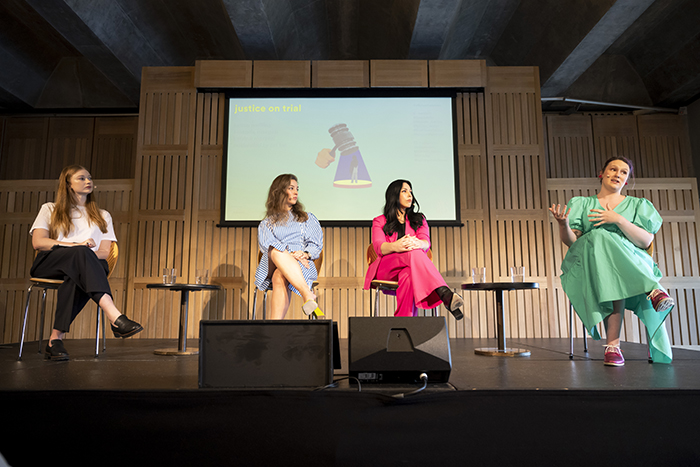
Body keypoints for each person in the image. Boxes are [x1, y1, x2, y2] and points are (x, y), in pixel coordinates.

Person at [549, 156, 674, 366]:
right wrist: (564, 225)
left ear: (627, 180)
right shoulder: (583, 203)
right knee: (599, 238)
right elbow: (573, 243)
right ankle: (652, 289)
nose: (618, 174)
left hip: (630, 262)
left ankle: (613, 346)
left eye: (624, 172)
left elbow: (645, 242)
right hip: (591, 265)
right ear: (602, 173)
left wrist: (618, 220)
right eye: (613, 169)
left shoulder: (638, 205)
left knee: (611, 268)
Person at [30, 165, 143, 361]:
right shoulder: (49, 209)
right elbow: (39, 242)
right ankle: (115, 317)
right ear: (68, 184)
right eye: (81, 178)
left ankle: (55, 340)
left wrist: (82, 252)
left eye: (89, 178)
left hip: (86, 266)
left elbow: (104, 252)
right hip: (50, 264)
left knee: (77, 271)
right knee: (80, 255)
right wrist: (75, 246)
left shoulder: (102, 215)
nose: (88, 181)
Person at [364, 179, 464, 319]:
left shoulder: (419, 219)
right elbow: (378, 247)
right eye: (404, 191)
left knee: (408, 275)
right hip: (386, 268)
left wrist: (418, 244)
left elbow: (426, 242)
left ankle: (403, 323)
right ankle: (445, 294)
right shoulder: (379, 220)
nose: (410, 195)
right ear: (394, 195)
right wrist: (396, 246)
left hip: (410, 266)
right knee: (412, 253)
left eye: (410, 191)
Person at [254, 174, 324, 319]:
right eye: (291, 188)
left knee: (279, 275)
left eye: (297, 189)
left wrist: (305, 254)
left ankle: (275, 329)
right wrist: (289, 254)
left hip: (301, 262)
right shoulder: (267, 223)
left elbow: (316, 244)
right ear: (279, 191)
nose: (296, 192)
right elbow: (266, 247)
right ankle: (307, 293)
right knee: (274, 249)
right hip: (274, 261)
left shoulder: (307, 218)